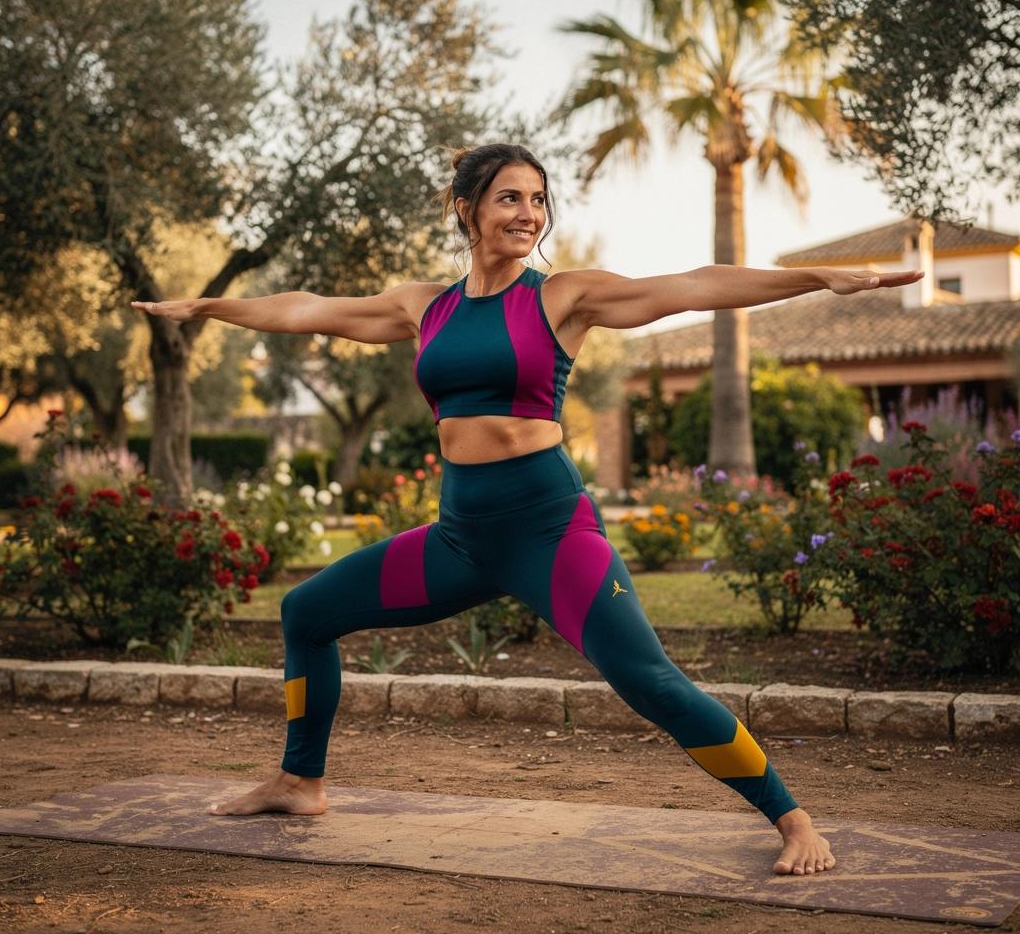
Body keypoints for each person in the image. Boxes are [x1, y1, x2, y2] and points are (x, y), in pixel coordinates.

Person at [132, 142, 924, 877]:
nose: (528, 213)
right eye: (510, 197)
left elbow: (690, 285)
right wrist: (210, 309)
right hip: (460, 537)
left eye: (538, 200)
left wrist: (816, 279)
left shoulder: (564, 297)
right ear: (466, 209)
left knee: (649, 680)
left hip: (549, 532)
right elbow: (308, 309)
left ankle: (792, 819)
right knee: (306, 611)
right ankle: (299, 781)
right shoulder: (424, 307)